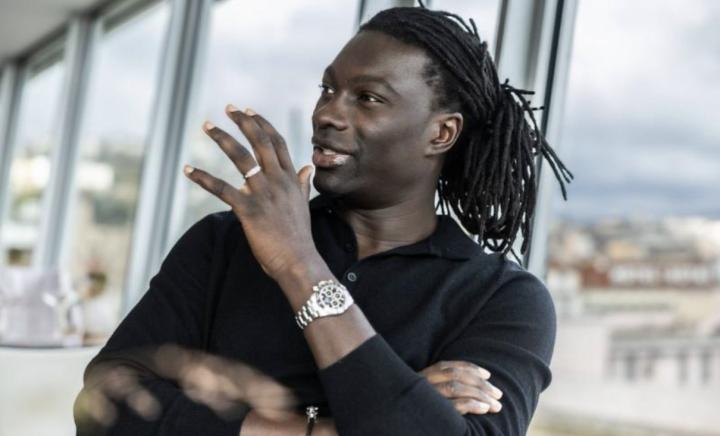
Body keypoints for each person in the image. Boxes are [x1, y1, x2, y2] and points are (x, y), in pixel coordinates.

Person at [74, 3, 572, 435]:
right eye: (327, 89)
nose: (327, 114)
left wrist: (299, 265)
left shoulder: (502, 298)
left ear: (441, 134)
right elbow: (103, 402)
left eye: (367, 98)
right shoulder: (223, 242)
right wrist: (335, 428)